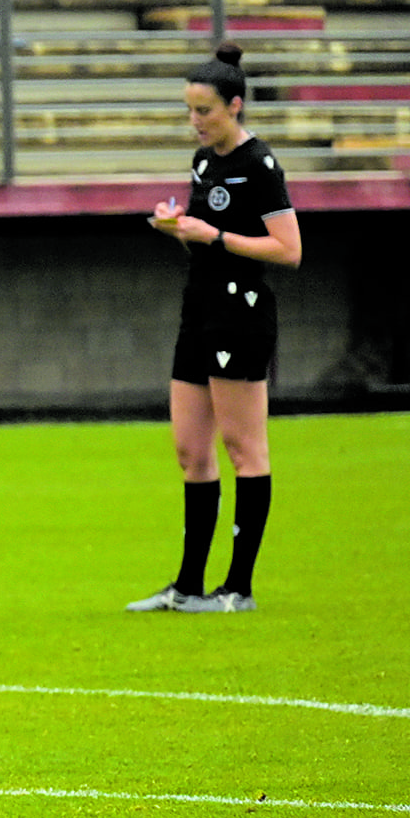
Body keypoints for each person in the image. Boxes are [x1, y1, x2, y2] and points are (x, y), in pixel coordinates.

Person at [129, 42, 301, 615]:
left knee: (243, 448)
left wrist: (216, 238)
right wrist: (179, 226)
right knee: (189, 451)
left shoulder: (260, 165)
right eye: (189, 111)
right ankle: (186, 586)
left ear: (235, 105)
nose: (195, 122)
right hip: (198, 307)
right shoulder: (205, 163)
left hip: (241, 312)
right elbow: (204, 230)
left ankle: (239, 589)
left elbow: (288, 249)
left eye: (204, 111)